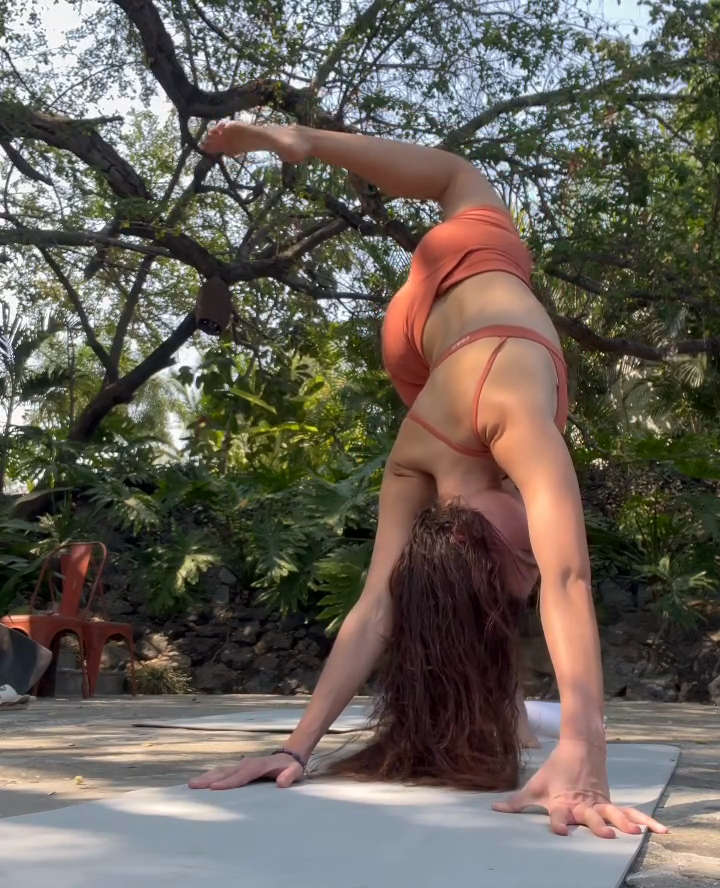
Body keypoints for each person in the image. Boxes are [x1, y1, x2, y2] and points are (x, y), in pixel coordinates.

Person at [189, 121, 667, 841]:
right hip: (424, 347)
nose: (537, 551)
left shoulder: (511, 416)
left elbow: (565, 579)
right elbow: (377, 607)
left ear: (473, 534)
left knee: (460, 178)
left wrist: (586, 752)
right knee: (458, 184)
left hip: (443, 336)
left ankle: (301, 138)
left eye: (522, 555)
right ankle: (505, 713)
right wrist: (295, 750)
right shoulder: (426, 457)